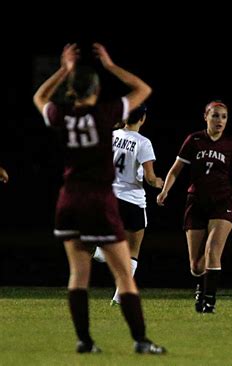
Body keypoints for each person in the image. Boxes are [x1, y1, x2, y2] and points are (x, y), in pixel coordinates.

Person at [33, 43, 166, 354]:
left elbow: (40, 98)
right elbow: (142, 88)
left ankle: (84, 341)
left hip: (68, 202)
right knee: (125, 273)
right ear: (96, 90)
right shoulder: (106, 115)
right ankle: (141, 340)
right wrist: (109, 65)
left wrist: (64, 71)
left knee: (78, 276)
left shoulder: (62, 116)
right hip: (99, 200)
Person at [156, 100, 232, 313]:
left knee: (213, 249)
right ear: (205, 116)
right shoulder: (194, 140)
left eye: (224, 117)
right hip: (196, 202)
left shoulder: (231, 144)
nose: (220, 121)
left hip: (223, 202)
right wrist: (165, 190)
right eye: (215, 115)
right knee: (196, 266)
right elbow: (176, 169)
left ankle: (209, 301)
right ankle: (201, 285)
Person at [93, 104, 164, 306]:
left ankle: (100, 254)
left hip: (109, 197)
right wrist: (159, 182)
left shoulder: (112, 135)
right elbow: (150, 178)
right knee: (132, 252)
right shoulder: (143, 143)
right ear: (143, 119)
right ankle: (117, 295)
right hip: (132, 201)